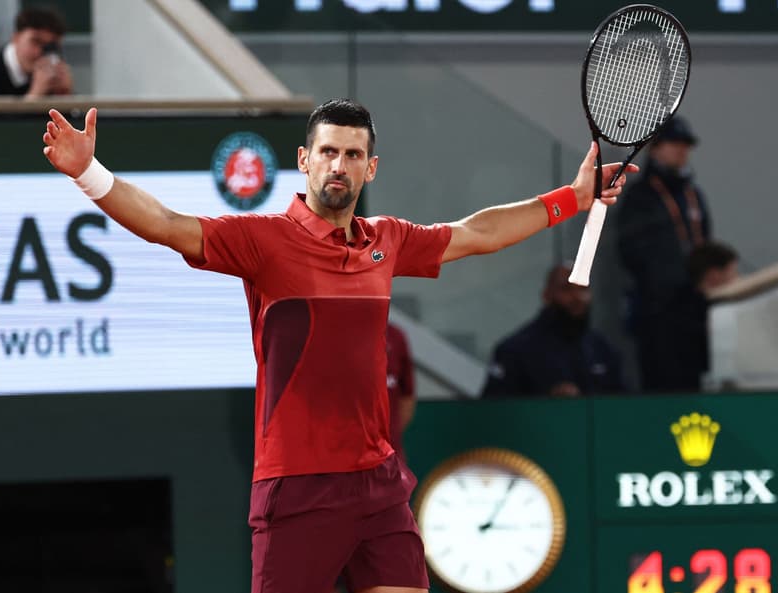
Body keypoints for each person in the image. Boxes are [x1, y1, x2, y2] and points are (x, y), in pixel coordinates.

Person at [40, 98, 635, 593]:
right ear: (304, 160)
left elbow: (479, 233)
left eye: (353, 154)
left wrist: (573, 199)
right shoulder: (261, 241)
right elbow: (167, 225)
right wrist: (90, 173)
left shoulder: (388, 241)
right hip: (296, 488)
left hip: (377, 484)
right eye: (328, 152)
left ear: (370, 168)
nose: (339, 165)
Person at [615, 115, 712, 391]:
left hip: (696, 313)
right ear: (654, 148)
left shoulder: (694, 195)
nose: (681, 151)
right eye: (673, 143)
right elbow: (632, 253)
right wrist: (675, 284)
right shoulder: (641, 197)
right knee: (663, 388)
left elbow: (704, 243)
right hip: (659, 315)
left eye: (685, 144)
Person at [481, 264, 624, 398]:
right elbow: (493, 409)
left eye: (583, 289)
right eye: (566, 289)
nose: (577, 297)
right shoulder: (515, 350)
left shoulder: (601, 348)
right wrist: (547, 399)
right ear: (547, 295)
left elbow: (624, 403)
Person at [647, 241, 738, 392]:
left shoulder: (675, 309)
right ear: (714, 275)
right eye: (732, 273)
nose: (737, 279)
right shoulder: (687, 317)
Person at [0, 6, 72, 98]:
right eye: (35, 42)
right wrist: (34, 97)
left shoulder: (48, 76)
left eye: (50, 47)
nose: (40, 52)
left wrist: (65, 97)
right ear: (15, 38)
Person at [385, 322, 416, 460]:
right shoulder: (341, 334)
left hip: (390, 452)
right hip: (348, 456)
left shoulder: (396, 336)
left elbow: (407, 397)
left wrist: (392, 432)